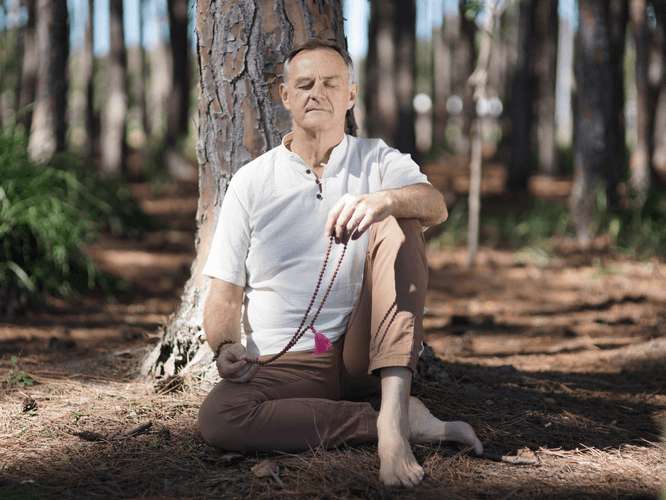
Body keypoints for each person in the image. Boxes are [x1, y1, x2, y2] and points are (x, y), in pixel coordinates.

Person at [198, 38, 483, 488]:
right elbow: (224, 293)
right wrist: (224, 345)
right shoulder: (251, 181)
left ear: (351, 95)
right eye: (305, 84)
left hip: (361, 354)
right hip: (281, 362)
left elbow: (435, 205)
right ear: (285, 95)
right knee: (220, 417)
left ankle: (392, 418)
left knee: (401, 221)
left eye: (331, 83)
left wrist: (383, 200)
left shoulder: (377, 158)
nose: (318, 93)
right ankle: (389, 421)